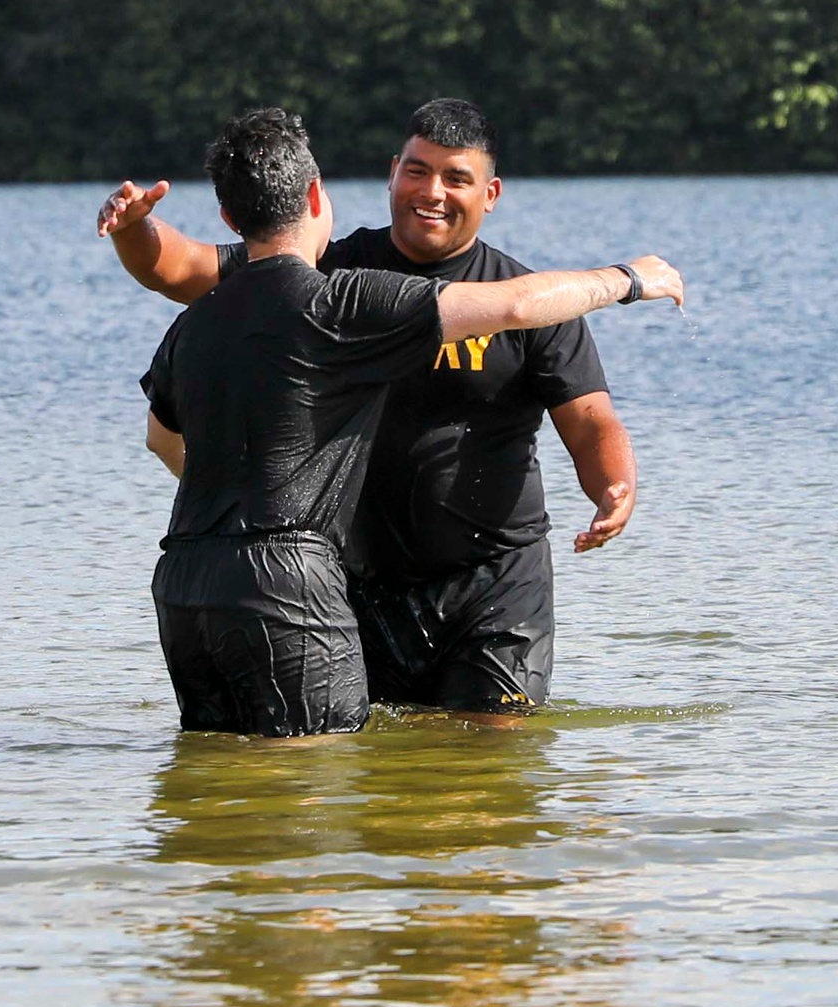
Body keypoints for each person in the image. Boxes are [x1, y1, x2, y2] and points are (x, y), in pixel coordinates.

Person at [104, 99, 682, 718]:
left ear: (490, 193)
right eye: (417, 170)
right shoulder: (328, 276)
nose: (431, 191)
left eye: (456, 178)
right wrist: (136, 228)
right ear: (391, 172)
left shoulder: (535, 300)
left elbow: (592, 420)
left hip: (492, 577)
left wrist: (614, 485)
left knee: (487, 759)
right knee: (358, 771)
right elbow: (184, 270)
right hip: (353, 580)